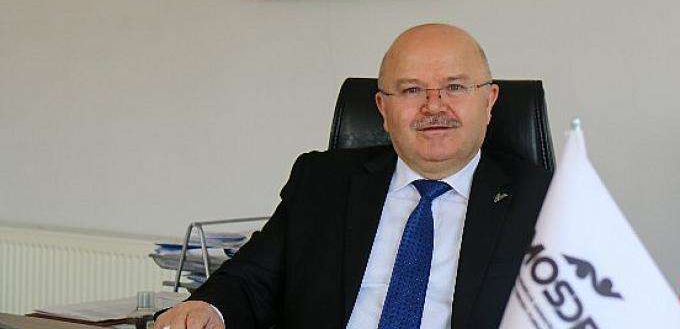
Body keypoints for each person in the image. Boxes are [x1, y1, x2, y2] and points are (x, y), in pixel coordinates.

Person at [154, 24, 552, 329]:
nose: (434, 107)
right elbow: (250, 280)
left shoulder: (545, 200)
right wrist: (206, 308)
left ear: (489, 101)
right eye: (412, 90)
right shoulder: (322, 183)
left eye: (455, 87)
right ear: (382, 108)